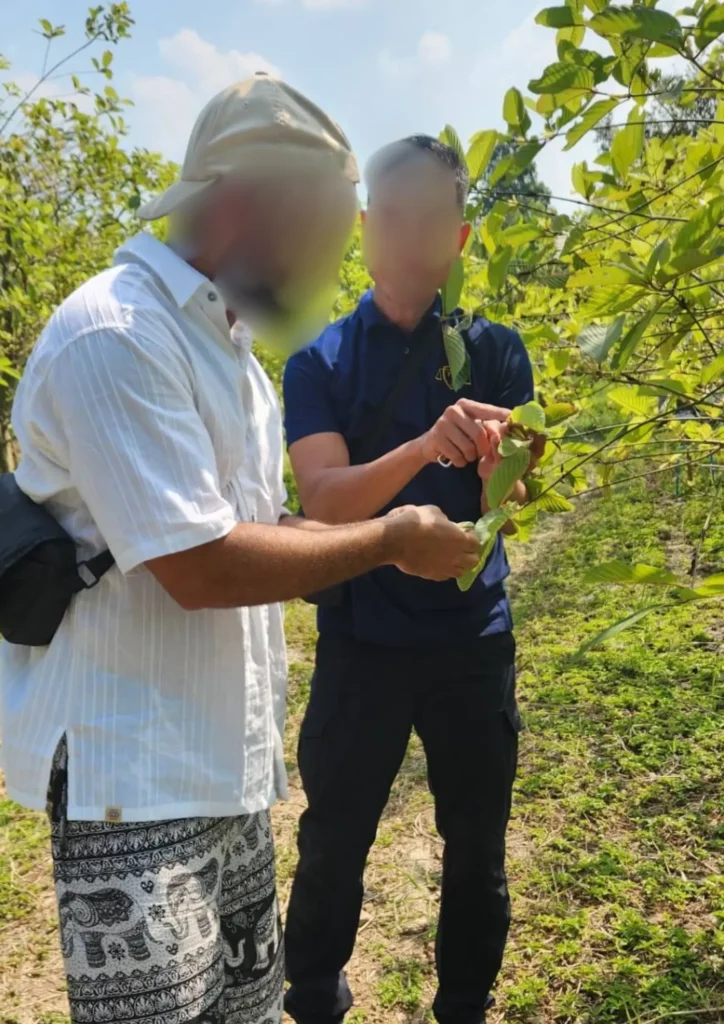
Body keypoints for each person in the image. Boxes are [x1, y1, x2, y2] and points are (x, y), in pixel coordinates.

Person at [0, 86, 482, 1024]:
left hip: (223, 768)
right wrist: (388, 538)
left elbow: (265, 528)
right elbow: (199, 566)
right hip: (130, 783)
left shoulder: (229, 356)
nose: (331, 268)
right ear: (241, 209)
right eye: (322, 237)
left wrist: (396, 546)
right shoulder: (119, 334)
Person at [283, 135, 541, 1024]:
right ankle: (313, 994)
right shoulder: (317, 362)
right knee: (334, 840)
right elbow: (322, 501)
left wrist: (506, 464)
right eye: (392, 213)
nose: (410, 233)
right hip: (363, 642)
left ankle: (463, 1004)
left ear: (461, 238)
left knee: (477, 846)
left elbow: (518, 496)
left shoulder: (496, 352)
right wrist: (428, 444)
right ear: (364, 226)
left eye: (433, 216)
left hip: (473, 641)